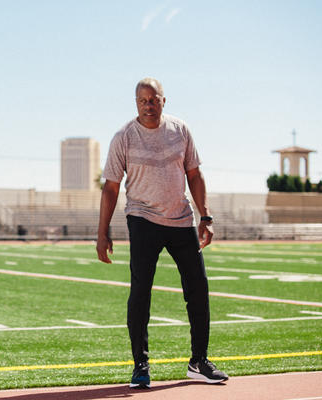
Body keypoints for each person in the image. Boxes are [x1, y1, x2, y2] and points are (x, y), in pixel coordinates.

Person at [96, 77, 228, 389]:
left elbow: (194, 174)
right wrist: (102, 232)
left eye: (154, 100)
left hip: (181, 219)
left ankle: (199, 361)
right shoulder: (124, 137)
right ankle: (140, 365)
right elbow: (111, 187)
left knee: (198, 288)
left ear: (163, 101)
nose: (149, 105)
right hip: (142, 218)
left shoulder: (180, 130)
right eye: (143, 101)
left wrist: (206, 216)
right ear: (136, 103)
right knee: (141, 291)